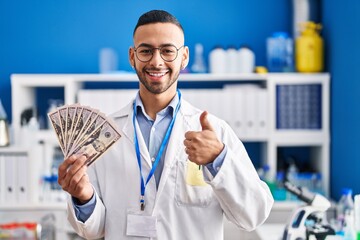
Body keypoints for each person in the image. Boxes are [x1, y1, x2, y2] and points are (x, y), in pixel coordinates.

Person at [58, 9, 274, 239]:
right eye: (146, 51)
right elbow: (95, 230)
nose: (156, 61)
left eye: (168, 51)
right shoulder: (103, 135)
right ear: (132, 57)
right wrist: (84, 197)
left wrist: (218, 160)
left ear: (184, 57)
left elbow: (254, 215)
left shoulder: (214, 132)